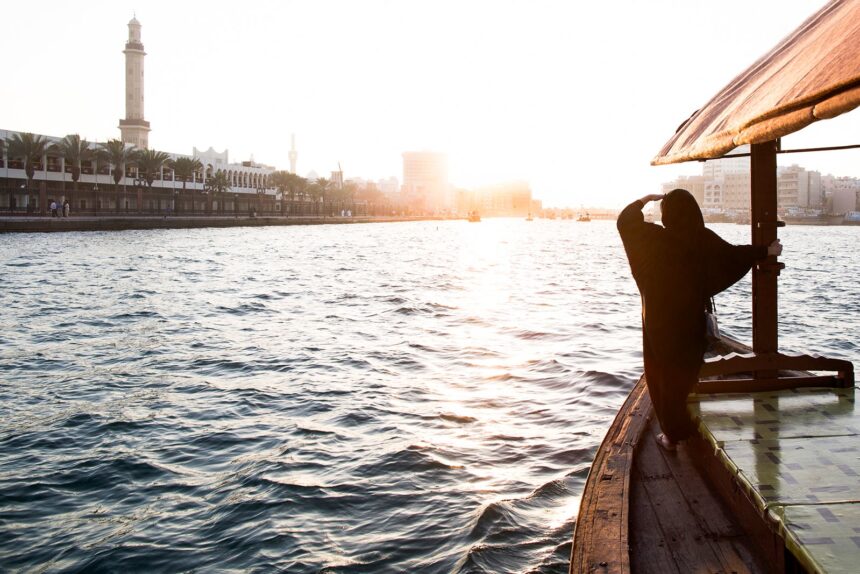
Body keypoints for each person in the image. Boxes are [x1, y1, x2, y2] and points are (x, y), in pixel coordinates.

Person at [617, 188, 782, 450]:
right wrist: (766, 250)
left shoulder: (651, 240)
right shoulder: (701, 239)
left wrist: (645, 200)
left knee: (662, 375)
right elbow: (734, 255)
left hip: (658, 323)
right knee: (683, 373)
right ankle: (684, 425)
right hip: (689, 323)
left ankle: (670, 435)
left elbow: (625, 222)